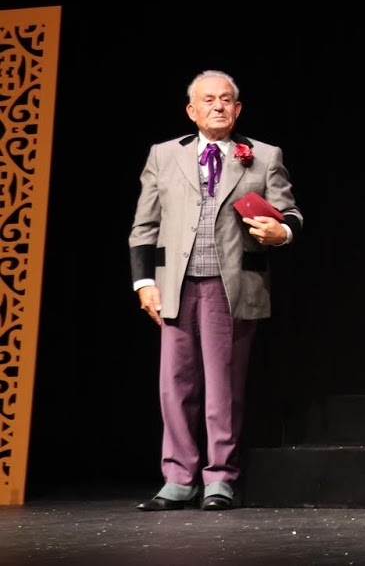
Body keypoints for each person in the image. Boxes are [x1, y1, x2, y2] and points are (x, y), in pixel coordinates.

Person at [128, 70, 302, 511]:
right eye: (208, 100)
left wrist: (281, 233)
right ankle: (177, 478)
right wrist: (144, 282)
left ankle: (220, 477)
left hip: (232, 287)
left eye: (226, 99)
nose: (218, 106)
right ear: (192, 110)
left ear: (237, 109)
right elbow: (144, 226)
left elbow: (290, 213)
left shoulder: (264, 156)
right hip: (175, 285)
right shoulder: (164, 155)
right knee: (175, 386)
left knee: (223, 387)